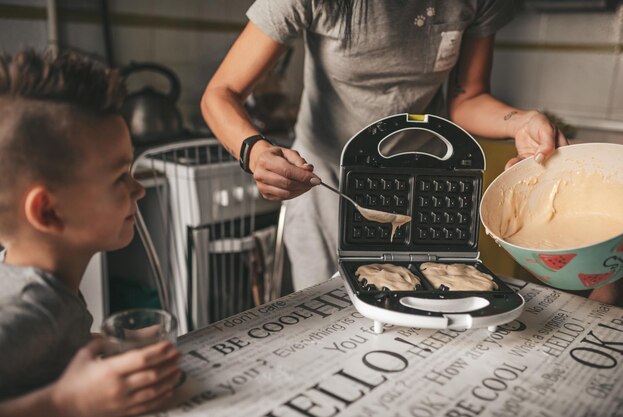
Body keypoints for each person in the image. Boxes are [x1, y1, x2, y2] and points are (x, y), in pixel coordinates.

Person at [200, 0, 570, 292]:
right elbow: (221, 93)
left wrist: (522, 120)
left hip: (418, 187)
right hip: (324, 182)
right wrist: (255, 151)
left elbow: (466, 98)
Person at [0, 50, 181, 417]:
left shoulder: (42, 288)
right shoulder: (26, 314)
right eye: (120, 177)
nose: (139, 190)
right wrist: (66, 403)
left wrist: (96, 345)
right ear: (49, 212)